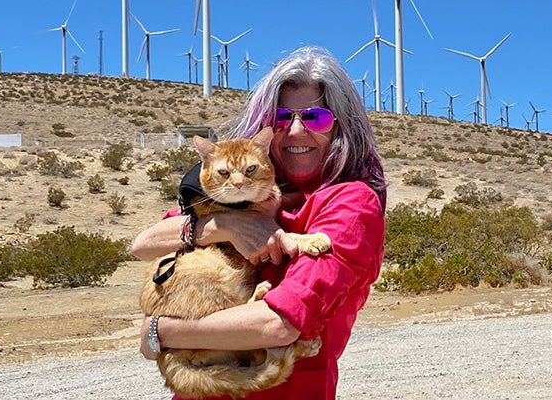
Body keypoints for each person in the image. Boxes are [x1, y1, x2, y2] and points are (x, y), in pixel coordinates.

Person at [131, 45, 386, 399]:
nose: (296, 131)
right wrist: (224, 227)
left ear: (341, 127)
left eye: (315, 118)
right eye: (283, 118)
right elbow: (144, 244)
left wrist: (157, 330)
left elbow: (278, 324)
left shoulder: (351, 204)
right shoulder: (247, 192)